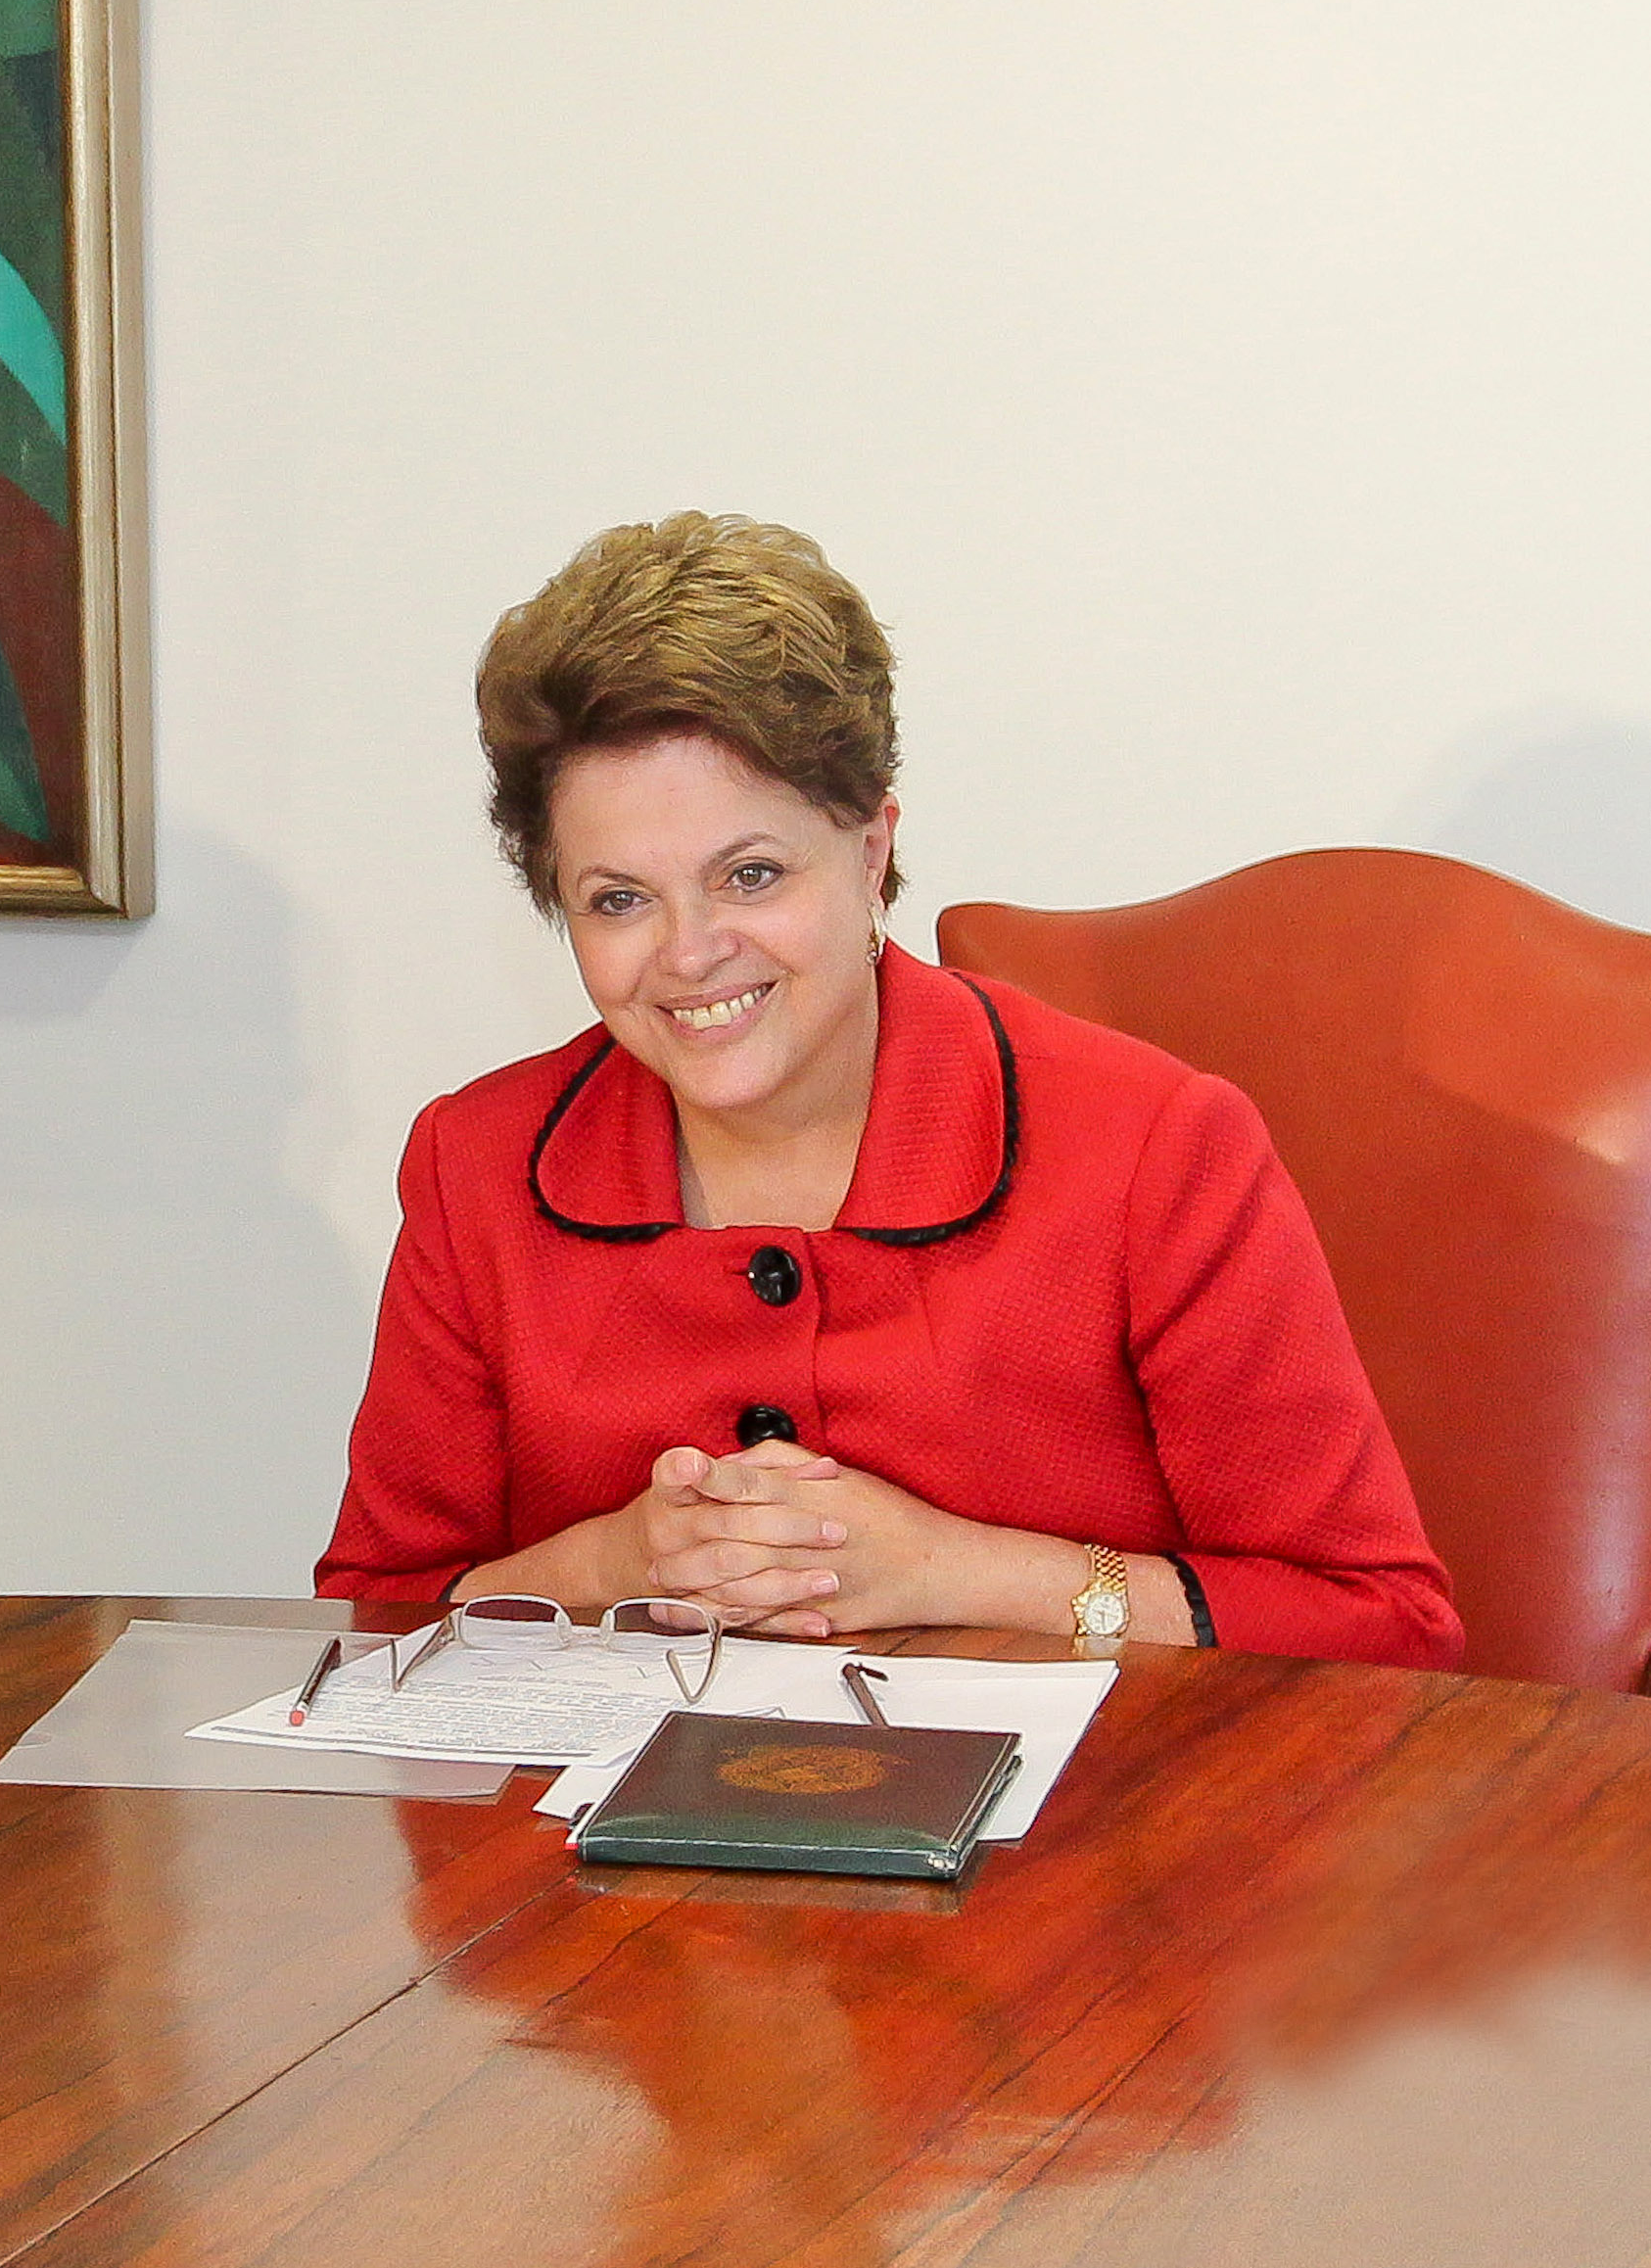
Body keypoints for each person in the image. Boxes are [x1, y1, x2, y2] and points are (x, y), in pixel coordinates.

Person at [315, 512, 1460, 1668]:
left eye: (748, 874)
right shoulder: (477, 1166)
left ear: (868, 856)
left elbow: (1378, 1628)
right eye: (617, 898)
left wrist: (948, 1571)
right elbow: (369, 1620)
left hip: (1081, 1837)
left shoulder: (1153, 1146)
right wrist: (611, 1566)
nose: (690, 950)